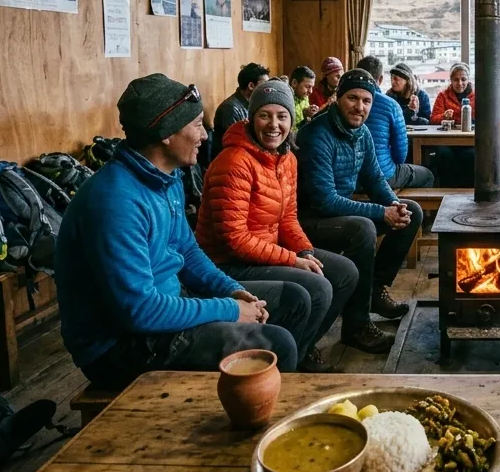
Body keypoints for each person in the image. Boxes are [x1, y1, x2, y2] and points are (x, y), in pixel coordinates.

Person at [57, 74, 310, 387]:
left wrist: (230, 289)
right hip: (119, 346)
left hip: (164, 303)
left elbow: (187, 251)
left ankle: (254, 395)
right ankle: (248, 414)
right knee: (277, 345)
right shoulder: (114, 202)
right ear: (166, 134)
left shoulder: (167, 176)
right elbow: (139, 311)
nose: (204, 135)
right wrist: (230, 309)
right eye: (196, 124)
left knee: (294, 299)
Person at [197, 80, 358, 373]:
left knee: (344, 272)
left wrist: (305, 252)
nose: (274, 125)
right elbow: (234, 239)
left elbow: (288, 218)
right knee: (318, 288)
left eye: (281, 116)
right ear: (251, 118)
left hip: (265, 251)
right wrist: (292, 260)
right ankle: (282, 365)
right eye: (264, 115)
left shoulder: (286, 159)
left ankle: (303, 350)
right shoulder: (234, 161)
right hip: (227, 263)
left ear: (290, 120)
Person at [297, 69, 424, 354]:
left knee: (412, 211)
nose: (360, 107)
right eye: (352, 98)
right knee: (362, 228)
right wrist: (381, 214)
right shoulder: (316, 135)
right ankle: (356, 325)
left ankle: (374, 291)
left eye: (366, 101)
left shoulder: (361, 132)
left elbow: (375, 179)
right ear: (337, 99)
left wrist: (395, 206)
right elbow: (324, 200)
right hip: (307, 219)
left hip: (337, 214)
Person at [359, 55, 434, 190]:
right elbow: (400, 155)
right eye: (391, 78)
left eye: (397, 79)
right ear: (380, 79)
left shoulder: (339, 104)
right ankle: (407, 209)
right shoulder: (390, 102)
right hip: (382, 175)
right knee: (427, 175)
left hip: (348, 178)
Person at [430, 62, 477, 185]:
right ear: (451, 80)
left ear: (468, 80)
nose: (460, 83)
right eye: (456, 80)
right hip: (447, 140)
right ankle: (447, 190)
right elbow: (433, 119)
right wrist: (444, 116)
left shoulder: (477, 96)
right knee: (444, 155)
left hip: (470, 140)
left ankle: (469, 190)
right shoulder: (443, 96)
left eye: (463, 79)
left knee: (472, 155)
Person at [212, 62, 270, 157]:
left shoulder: (255, 104)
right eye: (264, 85)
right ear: (251, 86)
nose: (267, 89)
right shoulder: (230, 109)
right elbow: (234, 143)